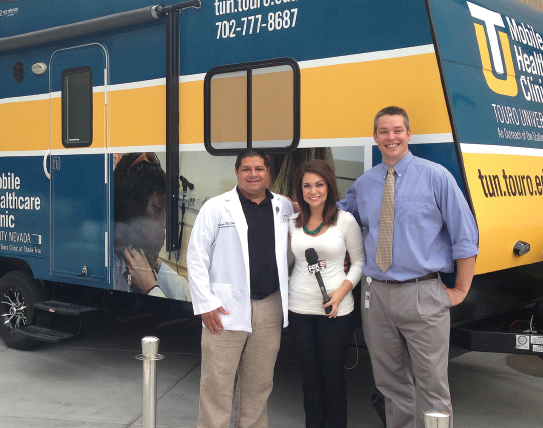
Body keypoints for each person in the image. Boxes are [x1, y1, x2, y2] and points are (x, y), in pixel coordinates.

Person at [338, 106, 478, 428]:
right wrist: (293, 205)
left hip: (422, 294)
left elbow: (465, 237)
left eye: (397, 130)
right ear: (375, 137)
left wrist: (460, 290)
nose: (391, 137)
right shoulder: (365, 183)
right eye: (384, 131)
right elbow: (336, 215)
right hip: (376, 298)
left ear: (409, 134)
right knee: (390, 385)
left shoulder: (436, 176)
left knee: (432, 387)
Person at [187, 148, 294, 428]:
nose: (253, 174)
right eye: (246, 169)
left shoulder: (284, 207)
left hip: (269, 307)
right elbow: (196, 257)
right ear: (236, 173)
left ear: (268, 172)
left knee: (259, 385)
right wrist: (205, 304)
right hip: (224, 309)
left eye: (259, 168)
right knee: (217, 383)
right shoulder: (216, 207)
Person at [288, 159, 365, 428]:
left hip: (336, 311)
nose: (313, 191)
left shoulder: (345, 221)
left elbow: (358, 263)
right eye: (307, 185)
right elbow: (286, 261)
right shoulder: (292, 223)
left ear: (329, 186)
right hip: (300, 309)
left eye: (319, 184)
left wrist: (342, 292)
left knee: (332, 378)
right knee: (310, 379)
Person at [113, 152, 190, 301]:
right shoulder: (108, 269)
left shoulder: (146, 266)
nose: (165, 222)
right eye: (157, 208)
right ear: (131, 211)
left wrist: (149, 286)